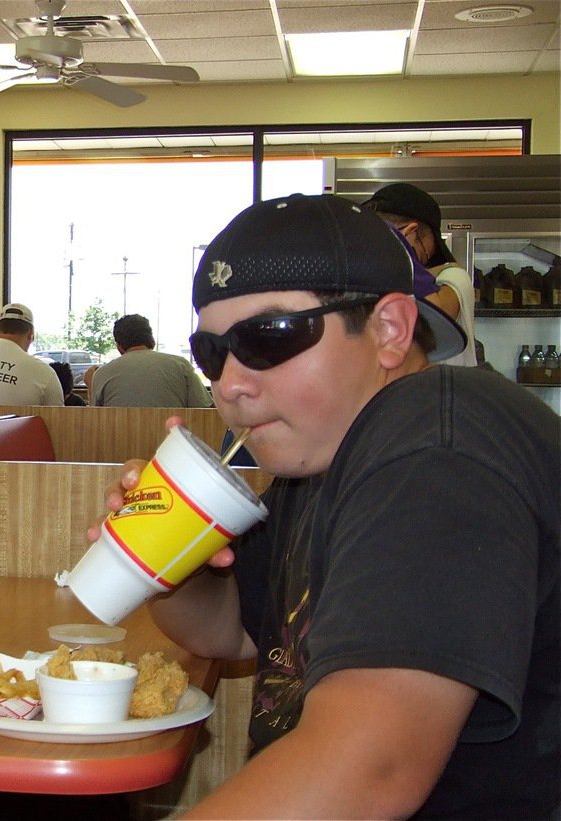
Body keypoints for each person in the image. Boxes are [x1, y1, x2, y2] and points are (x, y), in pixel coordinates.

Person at [93, 194, 558, 818]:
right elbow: (232, 634)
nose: (230, 382)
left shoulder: (436, 442)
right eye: (212, 353)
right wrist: (177, 557)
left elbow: (368, 771)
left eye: (268, 336)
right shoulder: (322, 461)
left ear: (390, 330)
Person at [363, 182, 479, 366]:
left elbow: (436, 319)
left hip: (447, 390)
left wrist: (399, 250)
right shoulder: (378, 277)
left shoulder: (454, 277)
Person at [89, 314, 212, 408]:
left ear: (119, 346)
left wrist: (91, 383)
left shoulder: (102, 373)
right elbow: (206, 409)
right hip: (173, 439)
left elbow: (95, 419)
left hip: (118, 440)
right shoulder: (180, 365)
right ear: (152, 341)